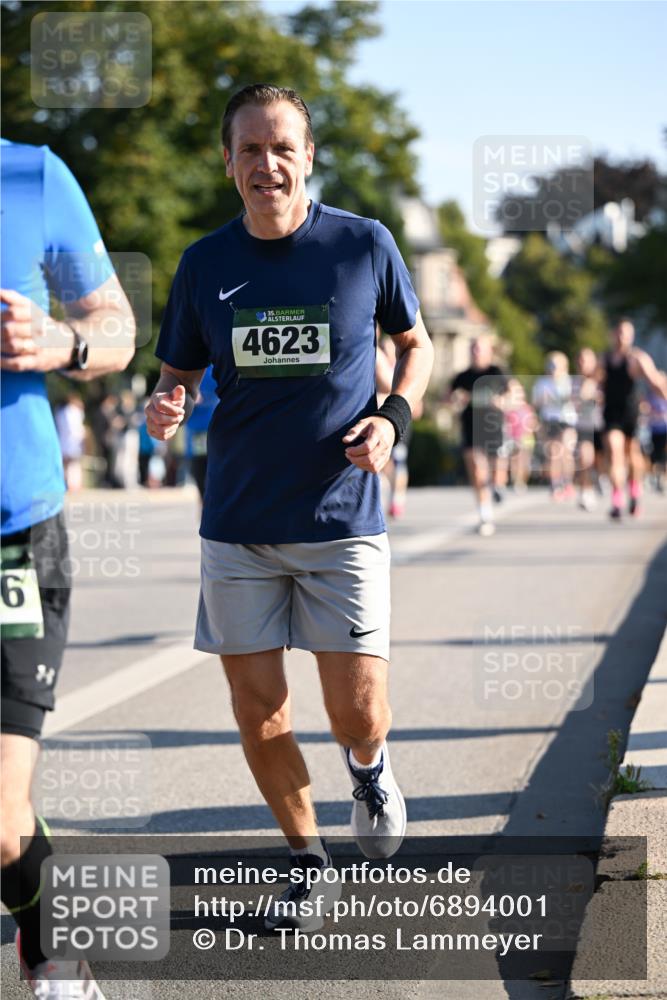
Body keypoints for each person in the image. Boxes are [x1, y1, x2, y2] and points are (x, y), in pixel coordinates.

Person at [145, 84, 433, 931]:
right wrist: (165, 404)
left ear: (308, 157)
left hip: (341, 516)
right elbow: (178, 376)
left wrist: (392, 417)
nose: (265, 164)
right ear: (227, 162)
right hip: (236, 522)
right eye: (248, 150)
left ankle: (370, 769)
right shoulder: (203, 263)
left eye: (282, 148)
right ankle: (306, 862)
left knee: (356, 711)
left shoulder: (362, 246)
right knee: (259, 709)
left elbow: (413, 345)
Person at [1, 138, 135, 998]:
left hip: (14, 536)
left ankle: (58, 955)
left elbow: (117, 328)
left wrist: (59, 341)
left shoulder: (32, 176)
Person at [600, 318, 667, 519]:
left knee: (633, 456)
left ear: (631, 336)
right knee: (614, 450)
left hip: (632, 413)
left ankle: (635, 490)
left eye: (626, 333)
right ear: (614, 334)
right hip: (611, 412)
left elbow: (654, 381)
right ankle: (617, 499)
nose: (622, 337)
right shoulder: (604, 359)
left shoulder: (637, 358)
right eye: (619, 332)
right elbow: (592, 379)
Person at [448, 335, 509, 536]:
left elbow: (511, 395)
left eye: (479, 348)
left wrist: (501, 400)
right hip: (470, 427)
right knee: (476, 469)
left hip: (493, 427)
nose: (476, 352)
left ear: (489, 351)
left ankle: (498, 486)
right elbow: (448, 398)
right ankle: (485, 514)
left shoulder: (496, 372)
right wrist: (454, 399)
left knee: (496, 469)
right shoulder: (462, 376)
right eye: (473, 348)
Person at [375, 336, 422, 517]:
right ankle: (386, 493)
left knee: (399, 461)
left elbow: (417, 407)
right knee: (384, 462)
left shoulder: (402, 372)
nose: (387, 353)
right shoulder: (373, 370)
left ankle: (397, 499)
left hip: (398, 423)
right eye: (384, 349)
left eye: (390, 350)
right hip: (378, 421)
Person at [532, 351, 577, 501]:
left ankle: (568, 482)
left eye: (556, 365)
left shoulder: (570, 382)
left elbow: (578, 402)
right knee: (553, 453)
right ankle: (555, 484)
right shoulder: (541, 383)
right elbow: (536, 404)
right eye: (550, 365)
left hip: (567, 420)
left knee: (566, 451)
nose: (553, 369)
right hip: (549, 420)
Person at [571, 347, 604, 511]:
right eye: (580, 360)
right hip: (584, 426)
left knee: (600, 462)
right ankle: (586, 491)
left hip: (603, 425)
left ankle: (599, 480)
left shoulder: (603, 380)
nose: (583, 363)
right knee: (585, 458)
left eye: (586, 360)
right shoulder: (573, 382)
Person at [185, 365, 218, 504]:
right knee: (200, 477)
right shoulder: (188, 363)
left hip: (217, 429)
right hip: (196, 433)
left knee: (217, 477)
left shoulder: (219, 363)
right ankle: (205, 513)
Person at [54, 393, 86, 493]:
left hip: (65, 439)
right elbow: (74, 428)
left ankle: (67, 483)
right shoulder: (73, 411)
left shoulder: (60, 411)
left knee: (67, 463)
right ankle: (72, 484)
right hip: (72, 440)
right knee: (73, 463)